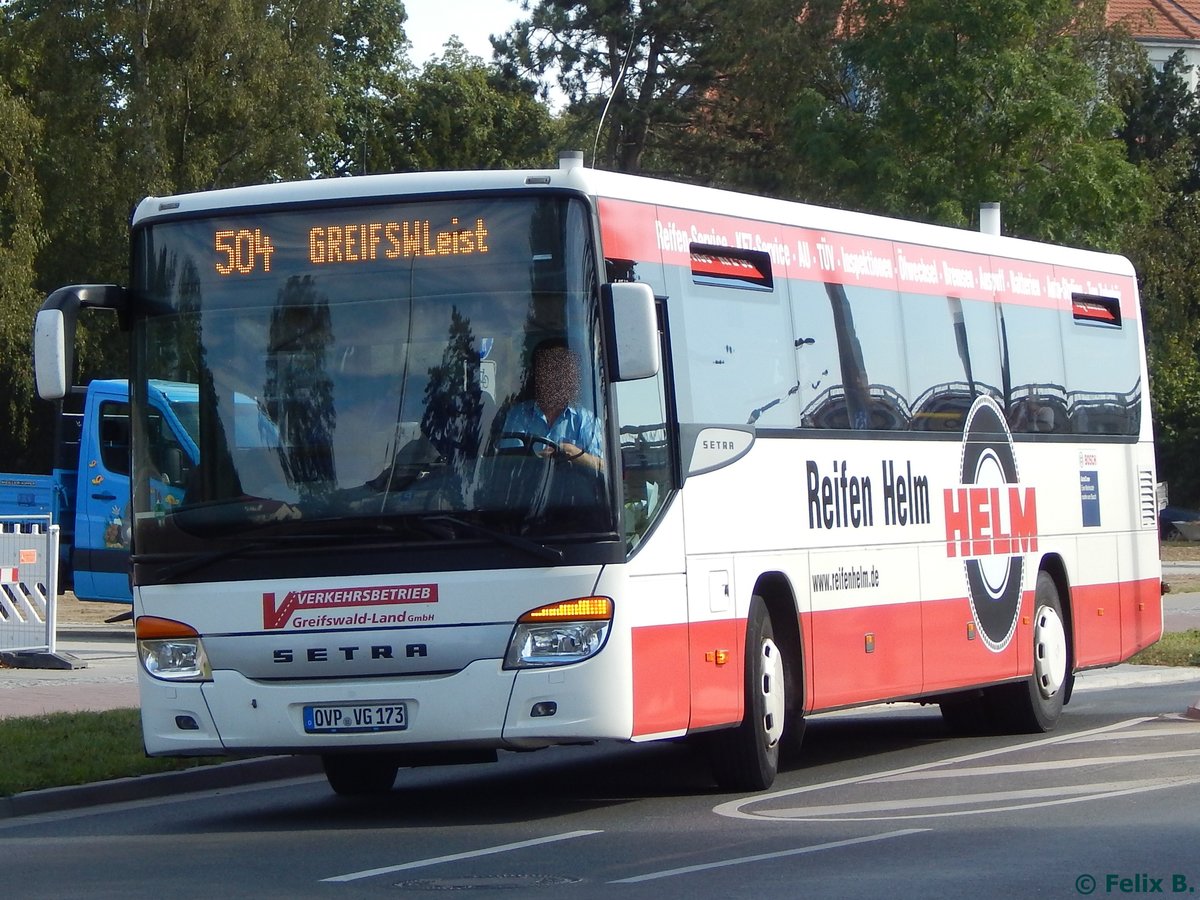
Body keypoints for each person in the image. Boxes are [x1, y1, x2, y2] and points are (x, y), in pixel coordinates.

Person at [500, 339, 604, 471]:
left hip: (575, 490)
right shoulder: (518, 415)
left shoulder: (587, 420)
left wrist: (574, 454)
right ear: (537, 375)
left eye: (564, 371)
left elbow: (605, 467)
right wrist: (538, 460)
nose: (557, 378)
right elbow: (506, 464)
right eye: (551, 370)